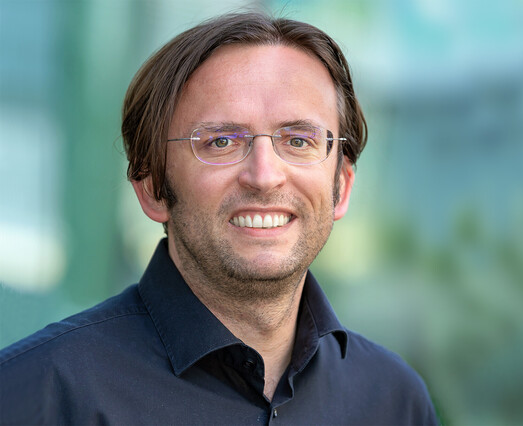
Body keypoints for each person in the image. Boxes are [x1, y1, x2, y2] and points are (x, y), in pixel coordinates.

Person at [0, 12, 438, 425]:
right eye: (222, 141)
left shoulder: (393, 401)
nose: (265, 176)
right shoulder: (37, 395)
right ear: (152, 188)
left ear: (341, 185)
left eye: (299, 140)